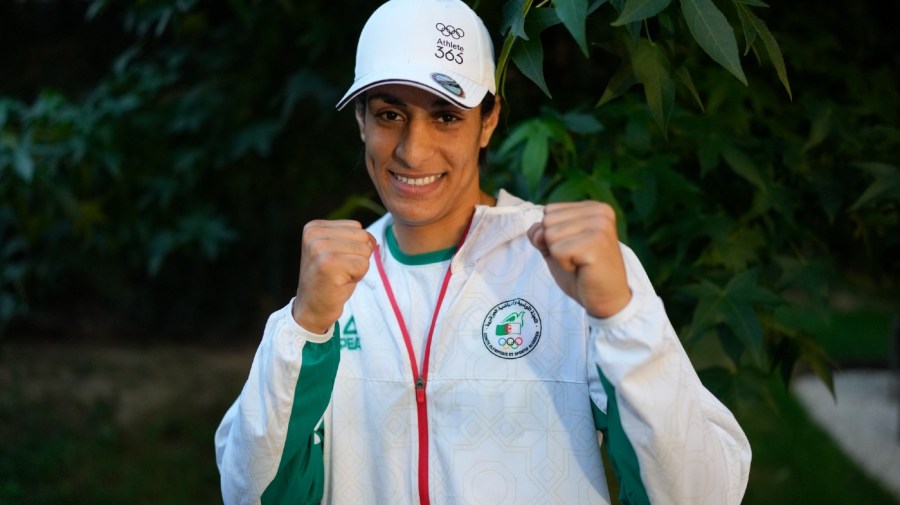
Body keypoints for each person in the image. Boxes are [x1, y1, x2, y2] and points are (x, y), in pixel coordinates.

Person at [215, 0, 752, 503]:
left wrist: (622, 315)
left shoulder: (572, 270)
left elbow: (699, 491)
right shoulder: (332, 286)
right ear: (360, 121)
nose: (413, 149)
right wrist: (303, 326)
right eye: (389, 114)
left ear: (488, 121)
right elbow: (251, 491)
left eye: (446, 115)